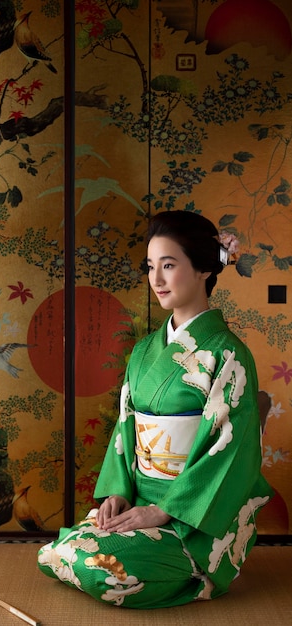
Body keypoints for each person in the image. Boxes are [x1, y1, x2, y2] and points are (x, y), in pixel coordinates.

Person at [37, 210, 273, 609]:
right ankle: (147, 556)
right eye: (151, 267)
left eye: (169, 265)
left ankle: (198, 573)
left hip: (193, 517)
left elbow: (232, 452)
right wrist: (117, 493)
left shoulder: (228, 353)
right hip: (140, 505)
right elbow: (125, 429)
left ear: (202, 268)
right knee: (57, 552)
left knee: (104, 570)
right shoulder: (144, 350)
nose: (156, 280)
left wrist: (164, 511)